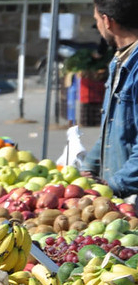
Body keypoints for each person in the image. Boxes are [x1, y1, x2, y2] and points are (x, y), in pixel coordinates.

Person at [81, 0, 138, 199]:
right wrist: (88, 167)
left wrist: (115, 185)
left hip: (131, 196)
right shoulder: (120, 60)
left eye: (96, 20)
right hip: (119, 195)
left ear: (107, 21)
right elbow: (113, 130)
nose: (98, 26)